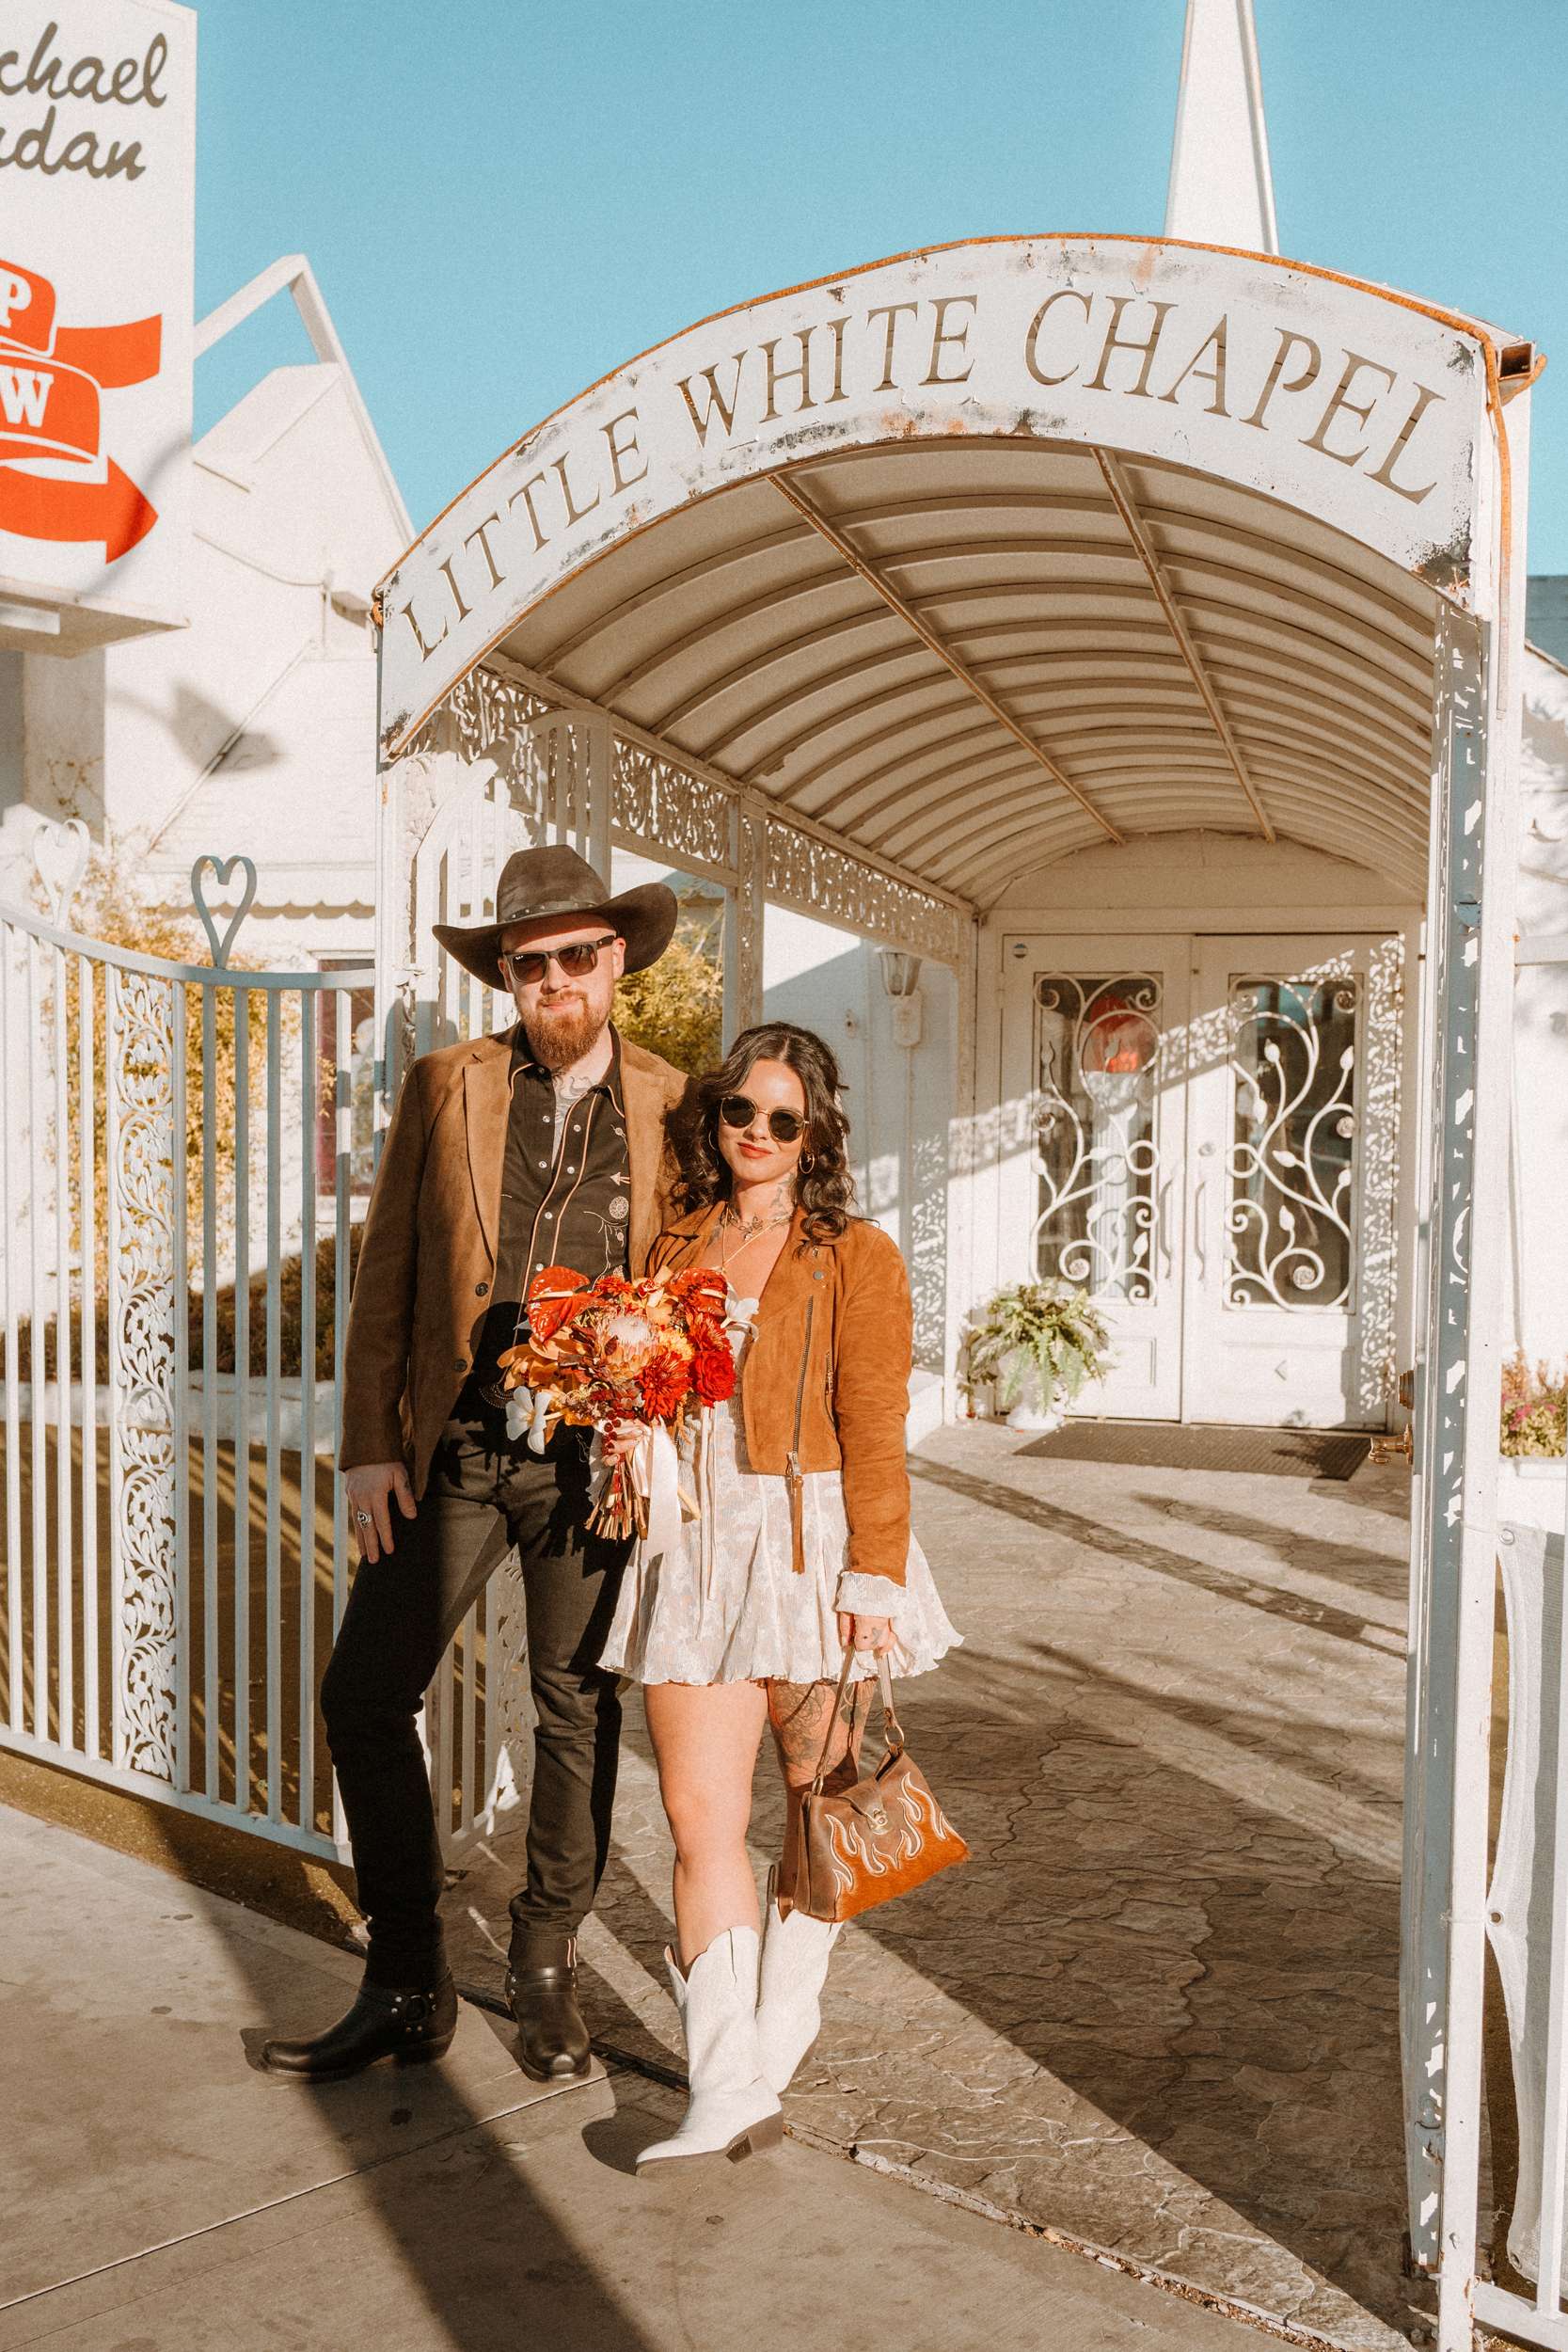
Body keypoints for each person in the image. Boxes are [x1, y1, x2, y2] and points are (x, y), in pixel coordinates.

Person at [262, 846, 688, 2084]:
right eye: (526, 962)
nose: (553, 980)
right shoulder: (446, 1084)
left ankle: (543, 1967)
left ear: (615, 958)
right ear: (505, 975)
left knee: (573, 1709)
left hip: (589, 1464)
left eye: (575, 955)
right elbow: (386, 1268)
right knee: (362, 1693)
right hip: (451, 1448)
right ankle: (406, 1976)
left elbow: (701, 1275)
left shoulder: (674, 1103)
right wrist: (365, 1447)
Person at [597, 1020, 959, 2171]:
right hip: (693, 1548)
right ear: (715, 1118)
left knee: (817, 1802)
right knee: (697, 1818)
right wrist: (620, 1420)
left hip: (809, 1546)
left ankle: (780, 2022)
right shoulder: (675, 1244)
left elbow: (876, 1428)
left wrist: (874, 1576)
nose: (757, 1132)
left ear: (816, 1135)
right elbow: (643, 1392)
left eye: (783, 1119)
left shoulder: (854, 1255)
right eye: (740, 1111)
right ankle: (723, 2082)